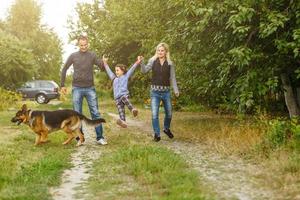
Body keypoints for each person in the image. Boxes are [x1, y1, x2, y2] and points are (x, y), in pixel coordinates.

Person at [60, 35, 107, 145]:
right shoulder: (73, 56)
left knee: (95, 112)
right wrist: (62, 85)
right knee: (77, 115)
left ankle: (100, 137)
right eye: (81, 45)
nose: (84, 47)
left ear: (88, 44)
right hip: (77, 88)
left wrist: (104, 62)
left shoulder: (92, 55)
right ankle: (80, 138)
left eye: (85, 45)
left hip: (90, 88)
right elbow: (64, 69)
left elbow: (102, 67)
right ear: (78, 45)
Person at [141, 42, 179, 142]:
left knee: (169, 113)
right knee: (154, 114)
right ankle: (157, 135)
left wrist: (175, 90)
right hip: (155, 92)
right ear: (156, 51)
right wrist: (141, 62)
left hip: (166, 92)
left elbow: (172, 78)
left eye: (162, 50)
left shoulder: (170, 63)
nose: (160, 52)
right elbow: (144, 71)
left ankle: (166, 128)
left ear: (166, 52)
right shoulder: (152, 61)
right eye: (158, 50)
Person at [102, 55, 143, 128]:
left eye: (117, 70)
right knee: (121, 111)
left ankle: (132, 110)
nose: (116, 71)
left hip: (124, 96)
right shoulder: (114, 78)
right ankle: (123, 122)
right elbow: (108, 71)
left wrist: (138, 61)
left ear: (122, 70)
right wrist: (105, 63)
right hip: (117, 99)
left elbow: (132, 69)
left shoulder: (126, 76)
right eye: (115, 70)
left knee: (124, 98)